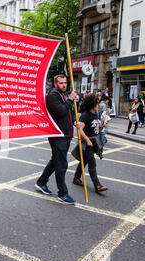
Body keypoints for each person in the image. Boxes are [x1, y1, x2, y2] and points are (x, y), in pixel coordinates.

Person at [35, 74, 77, 205]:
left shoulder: (63, 95)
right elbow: (61, 111)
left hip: (65, 134)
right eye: (61, 83)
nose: (64, 85)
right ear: (55, 84)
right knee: (61, 165)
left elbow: (68, 113)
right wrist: (70, 100)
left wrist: (75, 122)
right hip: (58, 135)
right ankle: (63, 193)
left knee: (55, 161)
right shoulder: (52, 96)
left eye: (65, 83)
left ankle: (41, 182)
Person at [72, 94, 107, 193]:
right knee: (92, 163)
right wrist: (87, 140)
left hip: (94, 142)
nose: (98, 105)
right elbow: (80, 130)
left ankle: (76, 178)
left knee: (84, 161)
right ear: (91, 104)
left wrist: (103, 124)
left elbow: (96, 128)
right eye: (97, 103)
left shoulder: (95, 114)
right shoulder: (85, 115)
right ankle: (97, 185)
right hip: (87, 143)